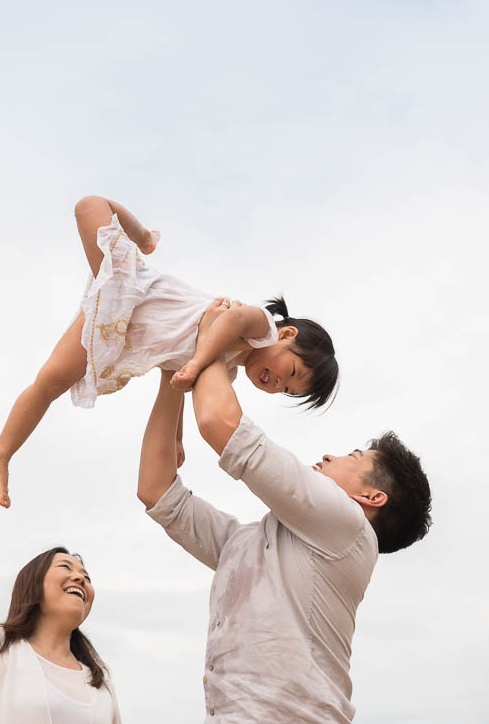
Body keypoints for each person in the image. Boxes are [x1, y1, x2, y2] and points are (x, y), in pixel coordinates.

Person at [136, 298, 433, 723]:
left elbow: (220, 424)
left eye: (353, 455)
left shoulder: (348, 527)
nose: (331, 456)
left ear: (372, 498)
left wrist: (209, 339)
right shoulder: (256, 544)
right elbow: (157, 492)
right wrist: (173, 371)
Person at [0, 195, 339, 507]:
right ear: (286, 335)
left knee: (49, 383)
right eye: (290, 372)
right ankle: (143, 237)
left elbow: (176, 379)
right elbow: (226, 324)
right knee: (89, 206)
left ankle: (0, 452)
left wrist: (177, 437)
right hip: (133, 291)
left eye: (286, 390)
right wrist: (199, 359)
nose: (277, 382)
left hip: (117, 334)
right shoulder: (260, 327)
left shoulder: (224, 372)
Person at [0, 547, 121, 724]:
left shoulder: (100, 682)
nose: (80, 578)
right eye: (65, 567)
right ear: (33, 584)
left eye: (87, 577)